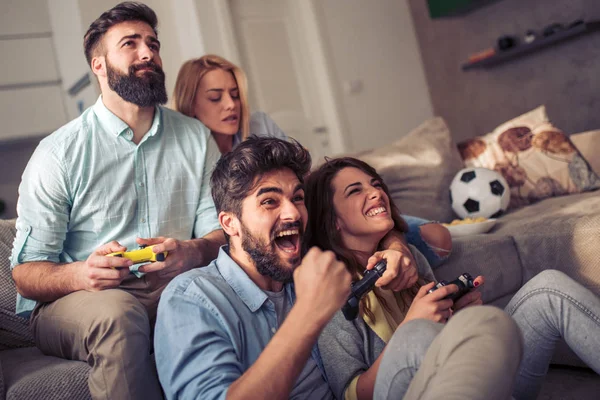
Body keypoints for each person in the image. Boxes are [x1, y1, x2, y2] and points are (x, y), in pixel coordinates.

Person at [154, 137, 522, 400]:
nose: (292, 213)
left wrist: (394, 246)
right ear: (230, 224)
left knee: (486, 323)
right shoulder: (193, 300)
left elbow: (393, 223)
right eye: (269, 201)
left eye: (297, 198)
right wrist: (310, 312)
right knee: (419, 338)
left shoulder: (310, 263)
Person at [10, 2, 225, 399]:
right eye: (131, 43)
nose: (148, 53)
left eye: (153, 44)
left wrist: (192, 251)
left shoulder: (195, 137)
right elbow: (26, 274)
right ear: (99, 66)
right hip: (81, 299)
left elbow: (219, 231)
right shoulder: (59, 153)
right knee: (119, 315)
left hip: (172, 284)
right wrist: (81, 274)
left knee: (227, 291)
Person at [305, 156, 600, 400]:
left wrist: (458, 318)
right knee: (418, 336)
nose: (376, 192)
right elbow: (350, 393)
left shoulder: (410, 258)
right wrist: (413, 325)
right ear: (332, 219)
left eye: (376, 184)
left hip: (466, 380)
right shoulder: (329, 290)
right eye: (355, 191)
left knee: (548, 288)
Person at [172, 53, 452, 268]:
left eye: (235, 95)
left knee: (435, 236)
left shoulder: (258, 124)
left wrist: (393, 240)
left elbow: (302, 180)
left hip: (311, 216)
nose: (231, 105)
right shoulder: (187, 157)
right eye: (215, 98)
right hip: (272, 240)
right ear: (190, 104)